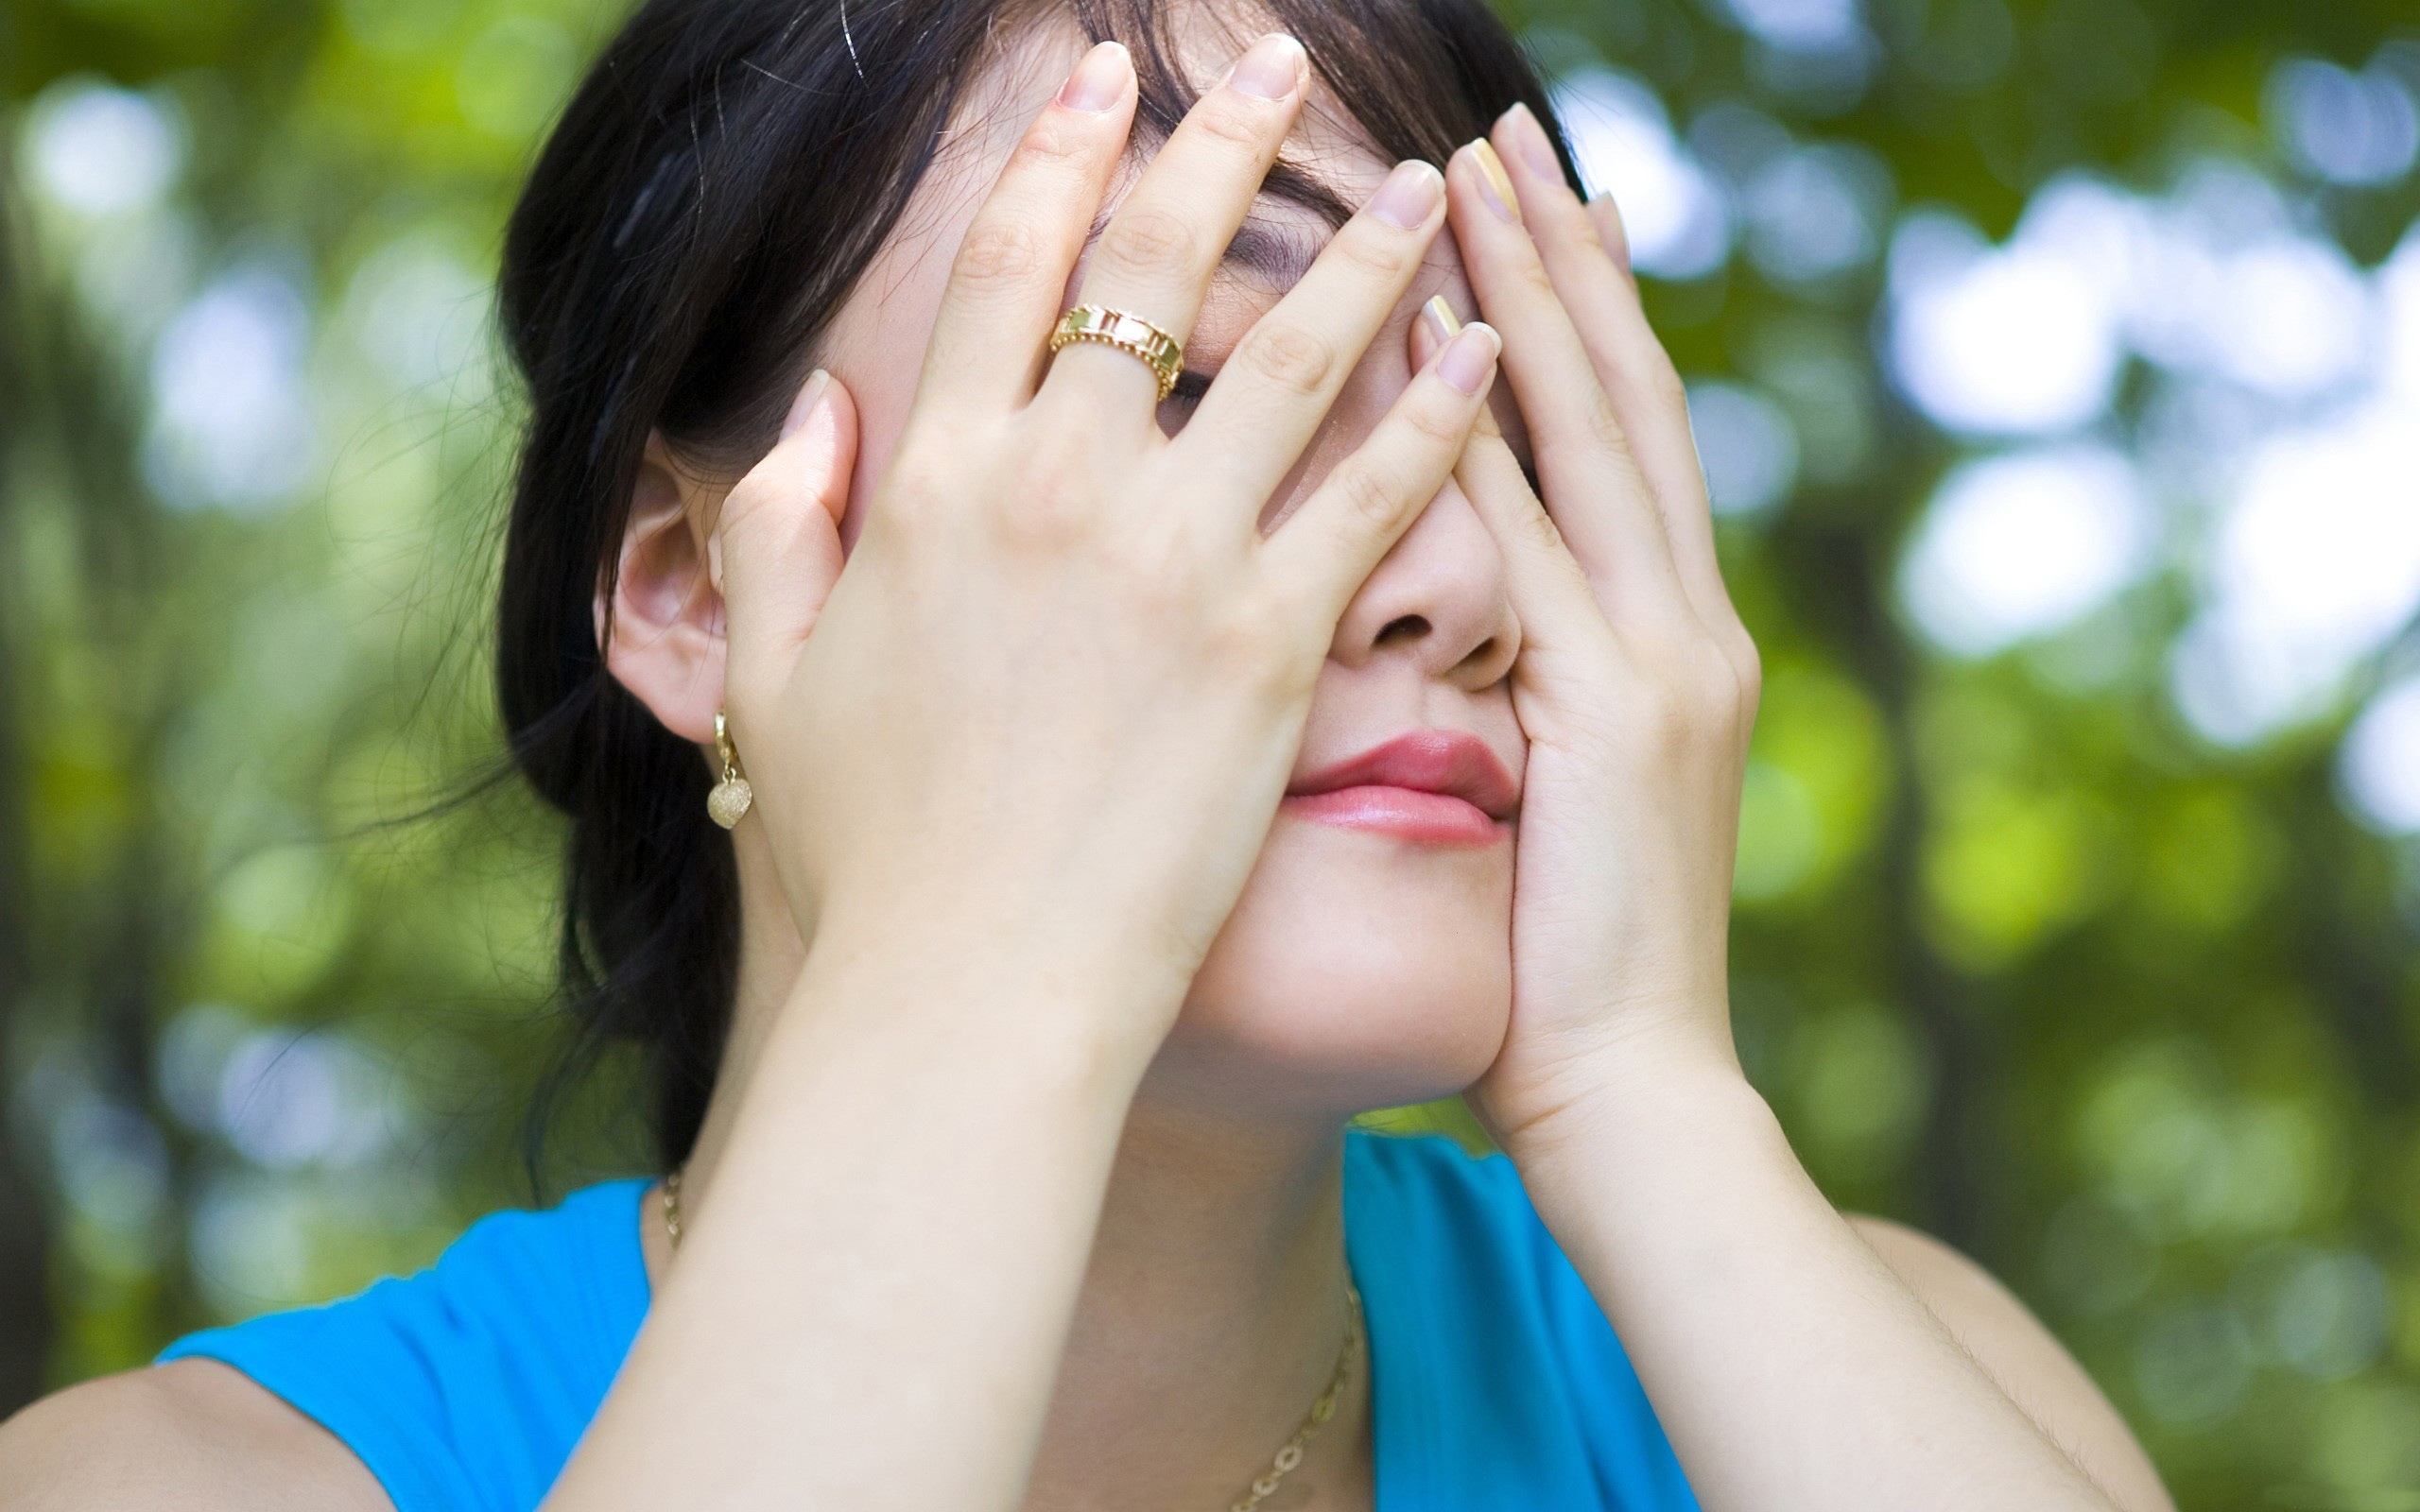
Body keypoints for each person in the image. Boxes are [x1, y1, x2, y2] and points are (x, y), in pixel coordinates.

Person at [0, 1, 2178, 1508]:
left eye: (1495, 421)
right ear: (691, 589)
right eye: (1204, 386)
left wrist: (1638, 1083)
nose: (1456, 579)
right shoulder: (183, 1479)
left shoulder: (1891, 1369)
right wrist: (978, 972)